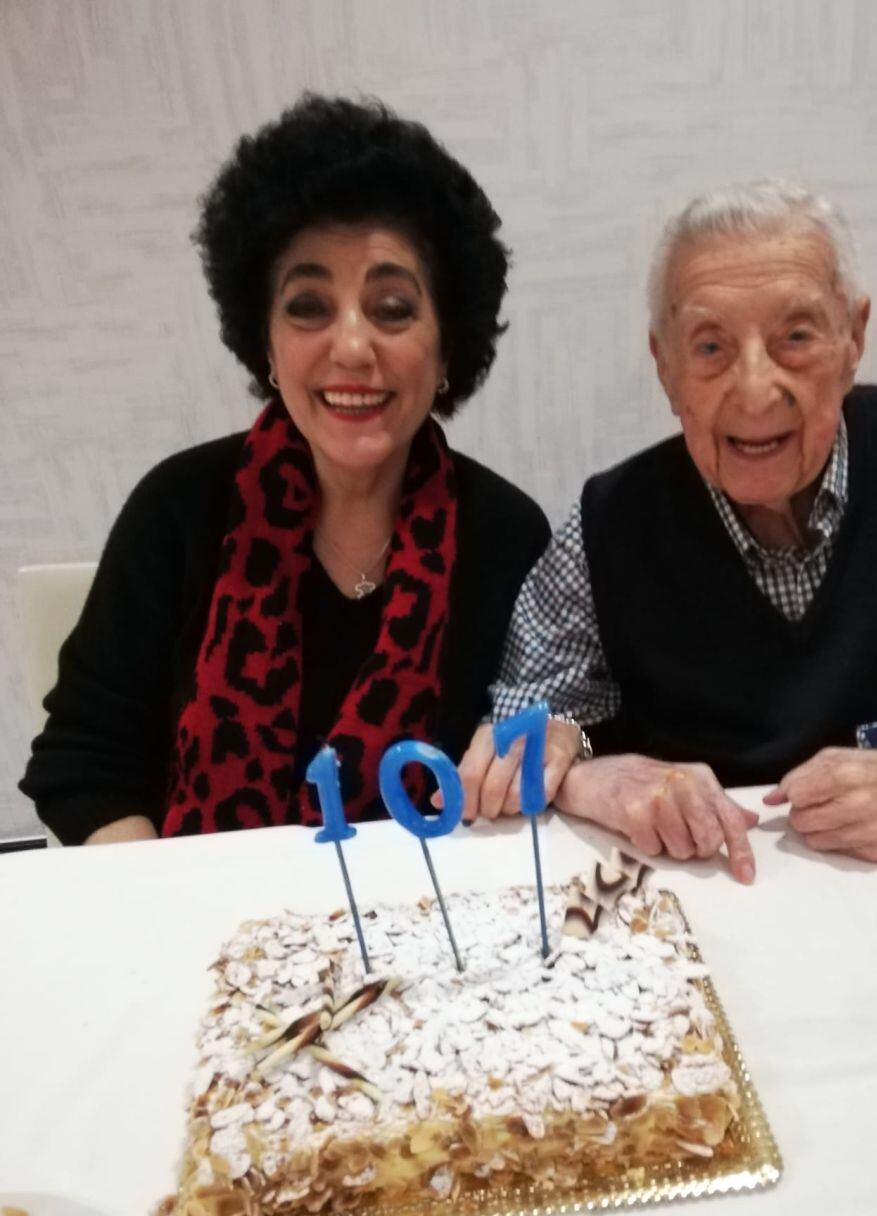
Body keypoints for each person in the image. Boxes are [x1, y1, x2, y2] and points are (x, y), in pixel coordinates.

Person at [460, 182, 877, 879]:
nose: (755, 389)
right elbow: (526, 727)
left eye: (795, 337)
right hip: (716, 906)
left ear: (854, 339)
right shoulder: (609, 522)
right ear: (665, 366)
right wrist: (579, 768)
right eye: (710, 345)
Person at [20, 94, 549, 844]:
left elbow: (538, 747)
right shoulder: (178, 508)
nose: (353, 346)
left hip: (425, 934)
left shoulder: (506, 533)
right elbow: (82, 761)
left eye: (393, 307)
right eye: (308, 307)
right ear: (264, 345)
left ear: (447, 347)